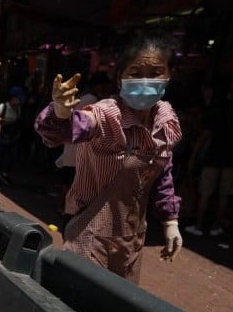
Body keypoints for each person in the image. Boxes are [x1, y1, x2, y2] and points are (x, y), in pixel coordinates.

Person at [34, 32, 183, 283]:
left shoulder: (165, 120)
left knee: (115, 309)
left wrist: (171, 221)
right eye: (136, 73)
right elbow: (69, 128)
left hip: (132, 241)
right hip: (88, 236)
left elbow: (162, 173)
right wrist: (60, 112)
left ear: (169, 76)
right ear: (120, 78)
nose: (146, 80)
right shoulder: (106, 114)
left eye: (155, 72)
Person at [185, 80, 233, 236]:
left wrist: (194, 155)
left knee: (205, 192)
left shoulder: (219, 108)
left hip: (214, 156)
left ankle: (198, 225)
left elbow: (206, 134)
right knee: (224, 194)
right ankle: (215, 226)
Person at [55, 72, 112, 184]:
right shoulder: (92, 99)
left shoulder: (83, 96)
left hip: (72, 149)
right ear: (99, 85)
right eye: (104, 86)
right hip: (79, 152)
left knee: (69, 185)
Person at [0, 86, 24, 184]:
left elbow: (18, 120)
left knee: (11, 157)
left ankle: (5, 175)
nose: (18, 101)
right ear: (12, 98)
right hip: (2, 134)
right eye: (16, 98)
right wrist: (3, 120)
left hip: (12, 135)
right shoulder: (4, 106)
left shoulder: (18, 109)